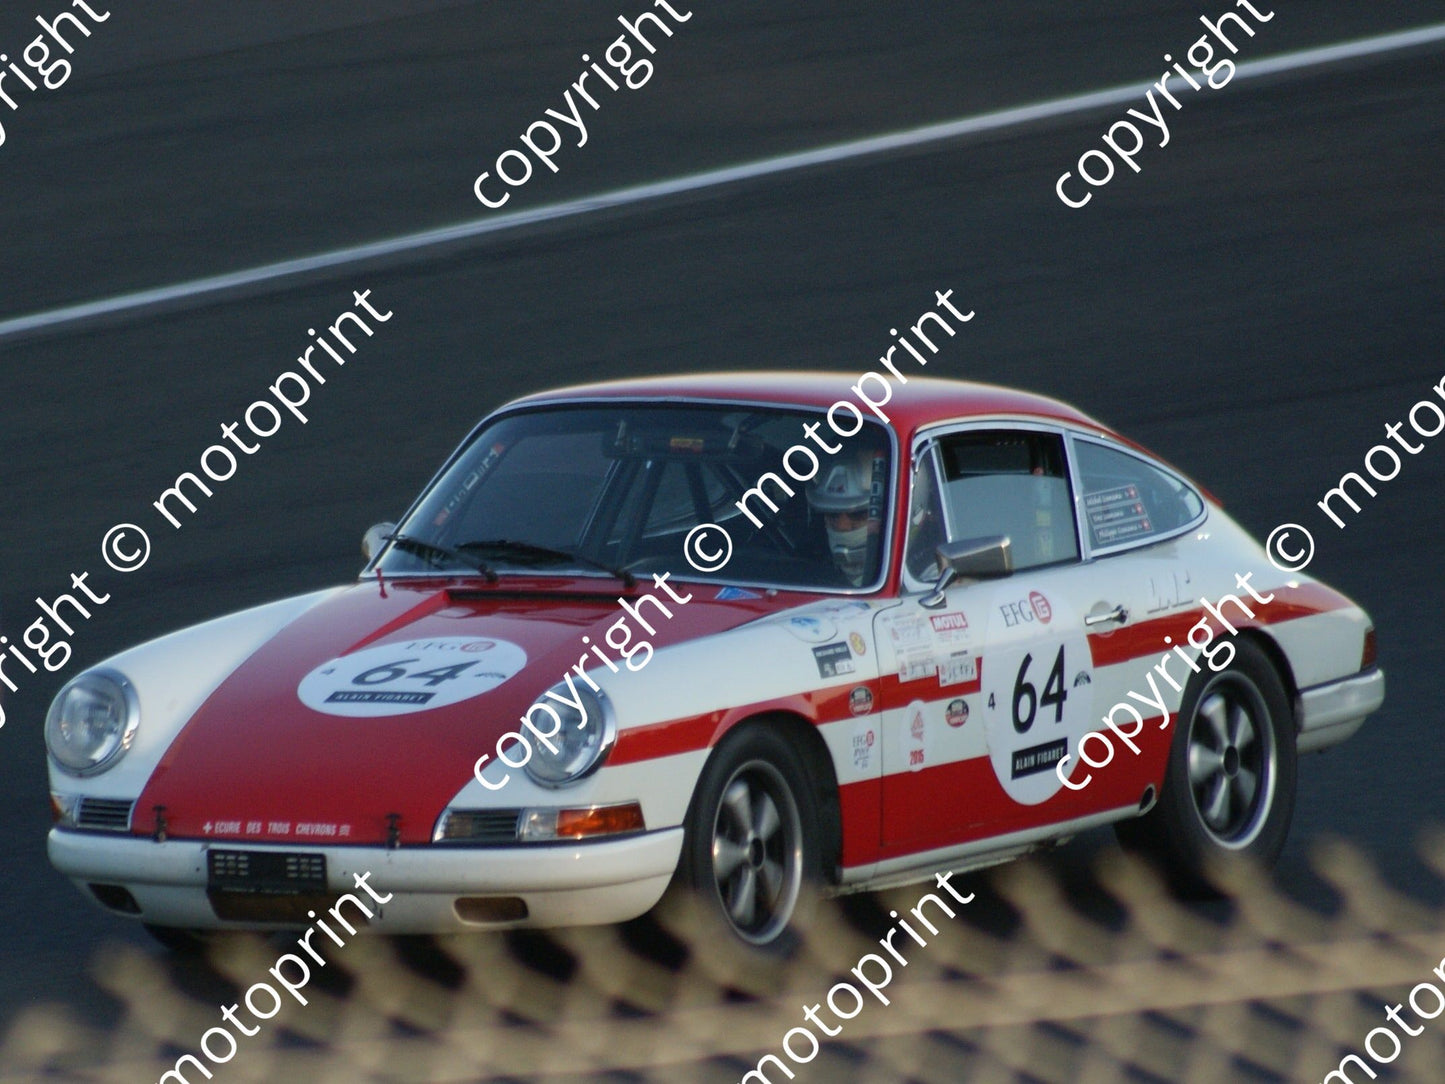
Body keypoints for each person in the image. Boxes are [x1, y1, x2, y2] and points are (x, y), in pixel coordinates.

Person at [806, 444, 888, 586]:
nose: (841, 526)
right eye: (832, 514)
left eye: (858, 515)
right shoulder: (805, 573)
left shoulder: (929, 578)